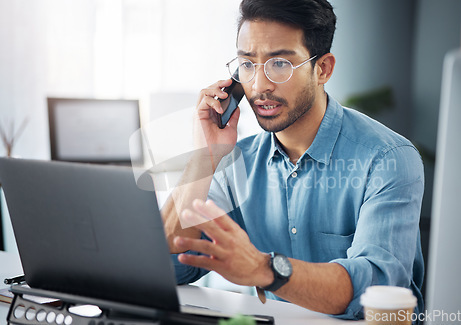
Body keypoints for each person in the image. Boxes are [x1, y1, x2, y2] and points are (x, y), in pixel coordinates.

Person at [161, 0, 424, 320]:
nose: (259, 85)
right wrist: (205, 157)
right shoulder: (238, 162)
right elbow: (167, 264)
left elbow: (375, 289)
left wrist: (264, 269)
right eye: (247, 64)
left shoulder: (387, 159)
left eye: (280, 64)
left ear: (323, 69)